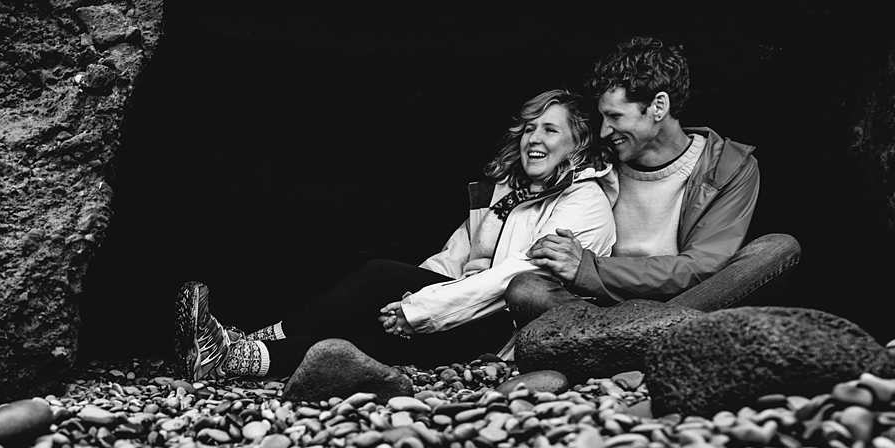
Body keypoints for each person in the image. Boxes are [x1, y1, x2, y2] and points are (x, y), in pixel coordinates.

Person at [175, 89, 618, 382]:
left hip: (507, 329)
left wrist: (419, 309)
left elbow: (514, 281)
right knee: (382, 291)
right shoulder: (507, 192)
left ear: (578, 142)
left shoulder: (586, 203)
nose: (531, 139)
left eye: (549, 129)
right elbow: (453, 257)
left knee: (384, 312)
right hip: (465, 306)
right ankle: (242, 349)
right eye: (527, 128)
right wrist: (404, 296)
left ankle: (237, 352)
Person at [508, 37, 800, 326]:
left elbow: (703, 266)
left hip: (685, 304)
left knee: (777, 249)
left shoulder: (729, 167)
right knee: (526, 289)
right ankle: (639, 340)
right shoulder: (594, 160)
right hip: (599, 308)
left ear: (659, 107)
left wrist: (589, 269)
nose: (606, 130)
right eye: (603, 118)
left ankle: (634, 337)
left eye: (615, 116)